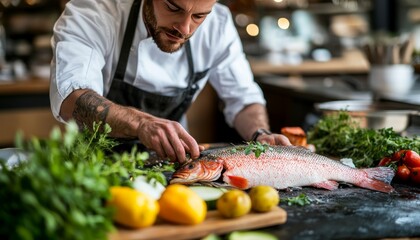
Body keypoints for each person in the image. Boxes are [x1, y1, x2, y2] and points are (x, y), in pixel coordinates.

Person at [49, 0, 291, 163]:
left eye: (198, 16)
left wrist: (261, 134)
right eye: (173, 7)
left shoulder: (218, 25)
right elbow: (73, 97)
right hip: (93, 167)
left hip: (170, 168)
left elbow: (242, 98)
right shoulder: (95, 11)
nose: (184, 28)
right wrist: (141, 123)